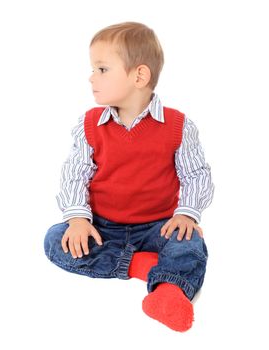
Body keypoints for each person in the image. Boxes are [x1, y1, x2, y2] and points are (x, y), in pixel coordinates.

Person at [44, 22, 214, 332]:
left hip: (156, 227)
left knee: (189, 241)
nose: (91, 77)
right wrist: (79, 220)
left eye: (102, 69)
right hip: (102, 227)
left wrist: (187, 214)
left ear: (139, 76)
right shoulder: (90, 124)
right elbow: (74, 175)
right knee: (56, 241)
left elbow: (196, 174)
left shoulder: (178, 125)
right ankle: (145, 267)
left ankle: (169, 292)